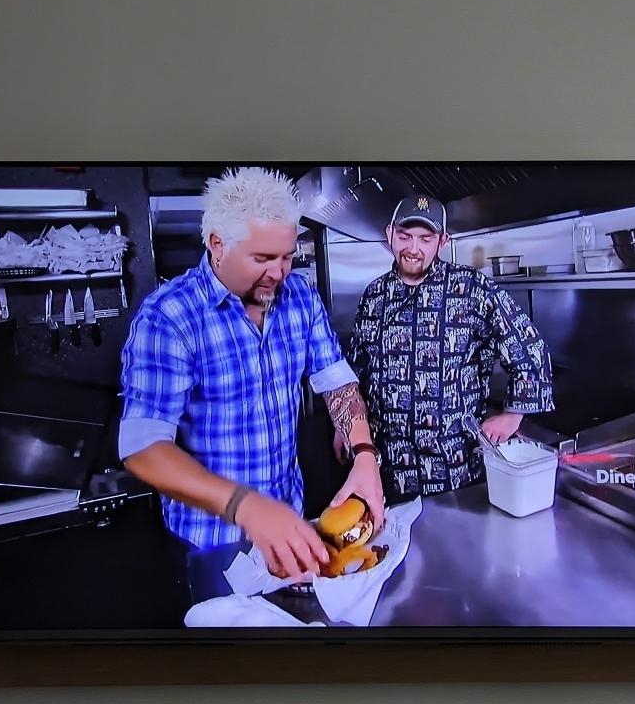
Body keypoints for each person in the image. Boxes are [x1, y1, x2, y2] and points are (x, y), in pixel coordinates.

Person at [119, 166, 384, 605]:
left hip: (293, 526)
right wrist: (247, 506)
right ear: (217, 245)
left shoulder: (300, 296)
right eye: (262, 259)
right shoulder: (169, 318)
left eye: (287, 256)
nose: (278, 273)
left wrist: (364, 455)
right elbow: (142, 447)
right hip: (212, 542)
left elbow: (336, 382)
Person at [346, 194, 554, 500]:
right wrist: (349, 429)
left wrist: (513, 414)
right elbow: (356, 368)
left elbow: (529, 345)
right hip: (387, 468)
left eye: (425, 239)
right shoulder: (374, 295)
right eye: (404, 236)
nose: (413, 248)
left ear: (442, 241)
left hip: (455, 468)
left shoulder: (472, 289)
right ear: (389, 234)